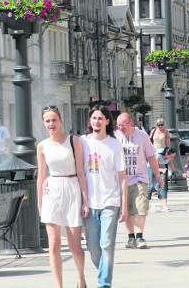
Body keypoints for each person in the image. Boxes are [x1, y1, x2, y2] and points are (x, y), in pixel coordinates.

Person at [36, 105, 88, 288]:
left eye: (54, 120)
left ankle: (81, 279)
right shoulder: (42, 146)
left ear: (61, 121)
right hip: (52, 191)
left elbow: (81, 172)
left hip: (72, 187)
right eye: (47, 121)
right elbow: (41, 176)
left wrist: (85, 200)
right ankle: (59, 285)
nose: (51, 124)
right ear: (43, 123)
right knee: (54, 244)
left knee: (75, 245)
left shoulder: (74, 141)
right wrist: (40, 203)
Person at [80, 105, 127, 288]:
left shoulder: (114, 144)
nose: (97, 122)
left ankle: (103, 283)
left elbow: (122, 177)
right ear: (90, 121)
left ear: (107, 121)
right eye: (94, 118)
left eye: (100, 118)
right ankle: (103, 275)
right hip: (89, 203)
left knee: (106, 244)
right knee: (93, 248)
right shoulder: (83, 142)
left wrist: (124, 205)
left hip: (110, 201)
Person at [115, 112, 163, 250]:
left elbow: (151, 156)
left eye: (123, 124)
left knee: (140, 207)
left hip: (139, 177)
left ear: (131, 122)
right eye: (118, 125)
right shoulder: (115, 136)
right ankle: (131, 237)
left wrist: (157, 175)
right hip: (121, 179)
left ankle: (140, 236)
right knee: (128, 209)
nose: (120, 128)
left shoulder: (142, 136)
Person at [147, 147, 177, 212]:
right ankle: (146, 206)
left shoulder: (170, 157)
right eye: (171, 156)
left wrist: (174, 169)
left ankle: (165, 207)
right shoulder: (158, 156)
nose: (172, 158)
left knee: (163, 186)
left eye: (173, 156)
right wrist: (161, 170)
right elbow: (154, 166)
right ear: (167, 154)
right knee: (150, 186)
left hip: (161, 168)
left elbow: (170, 162)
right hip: (151, 168)